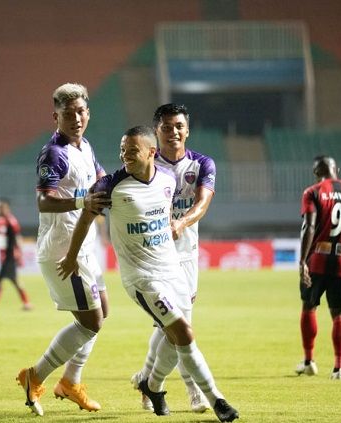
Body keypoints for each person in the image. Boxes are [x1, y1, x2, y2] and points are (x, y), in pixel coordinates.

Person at [57, 126, 239, 422]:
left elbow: (165, 216)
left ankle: (151, 385)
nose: (124, 156)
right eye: (122, 150)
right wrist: (72, 255)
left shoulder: (167, 180)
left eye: (132, 151)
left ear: (151, 152)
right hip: (142, 278)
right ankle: (216, 399)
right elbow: (86, 218)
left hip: (173, 270)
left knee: (172, 337)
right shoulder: (110, 187)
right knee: (183, 332)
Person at [16, 82, 111, 416]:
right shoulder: (54, 152)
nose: (76, 118)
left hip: (86, 244)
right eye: (68, 113)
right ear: (55, 116)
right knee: (91, 322)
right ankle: (35, 376)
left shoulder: (85, 147)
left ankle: (70, 382)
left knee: (102, 311)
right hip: (62, 248)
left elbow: (100, 178)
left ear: (88, 112)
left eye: (81, 111)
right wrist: (83, 200)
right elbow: (44, 201)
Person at [130, 103, 216, 413]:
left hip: (186, 256)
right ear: (157, 131)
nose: (173, 132)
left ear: (187, 130)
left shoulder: (202, 164)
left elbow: (203, 203)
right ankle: (193, 392)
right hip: (154, 257)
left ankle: (146, 379)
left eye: (179, 126)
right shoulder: (147, 166)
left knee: (168, 328)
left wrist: (180, 222)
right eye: (166, 127)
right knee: (181, 325)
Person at [296, 155, 341, 381]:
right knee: (340, 314)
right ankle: (339, 369)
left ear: (316, 173)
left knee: (309, 307)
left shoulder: (313, 192)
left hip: (317, 258)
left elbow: (309, 226)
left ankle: (309, 361)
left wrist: (302, 261)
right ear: (338, 169)